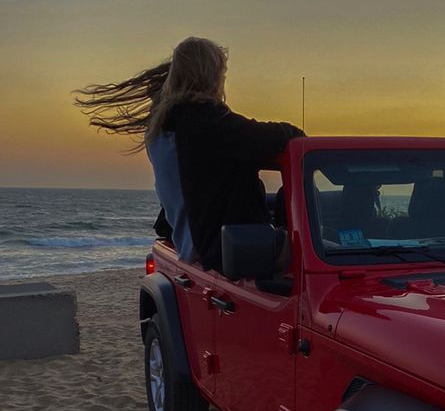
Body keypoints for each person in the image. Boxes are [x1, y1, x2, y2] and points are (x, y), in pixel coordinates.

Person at [74, 36, 304, 271]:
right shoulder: (206, 123)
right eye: (221, 73)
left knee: (281, 207)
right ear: (211, 76)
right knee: (325, 251)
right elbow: (282, 136)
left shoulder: (163, 126)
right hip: (220, 248)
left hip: (191, 238)